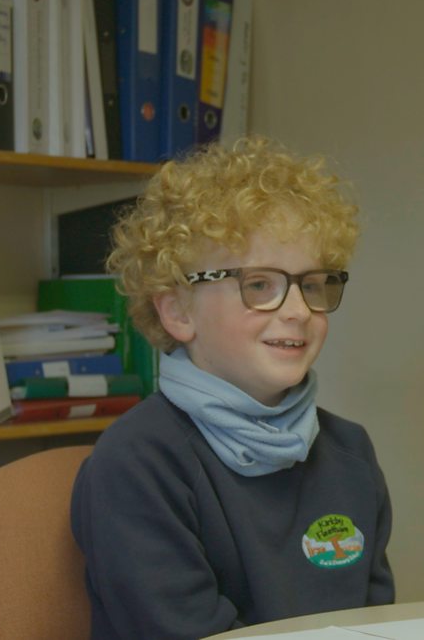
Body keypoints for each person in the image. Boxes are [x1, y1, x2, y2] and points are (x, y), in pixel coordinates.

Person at [71, 137, 393, 639]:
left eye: (312, 284)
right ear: (178, 311)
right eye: (259, 284)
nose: (298, 310)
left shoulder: (350, 453)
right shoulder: (137, 463)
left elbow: (378, 625)